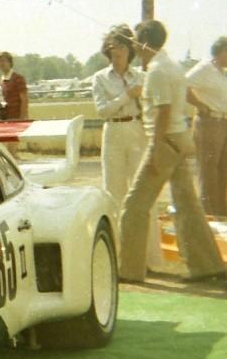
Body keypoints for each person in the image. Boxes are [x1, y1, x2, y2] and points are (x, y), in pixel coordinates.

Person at [118, 20, 225, 284]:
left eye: (136, 42)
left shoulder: (157, 70)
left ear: (144, 42)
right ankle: (207, 265)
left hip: (166, 141)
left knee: (134, 206)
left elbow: (163, 112)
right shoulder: (171, 66)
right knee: (188, 205)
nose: (134, 48)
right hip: (179, 139)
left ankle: (128, 271)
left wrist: (155, 150)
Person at [92, 24, 161, 270]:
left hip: (137, 132)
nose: (117, 51)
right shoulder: (100, 78)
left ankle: (150, 259)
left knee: (143, 195)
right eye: (112, 46)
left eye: (121, 46)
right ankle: (119, 259)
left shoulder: (141, 77)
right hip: (113, 133)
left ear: (130, 49)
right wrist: (127, 96)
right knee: (114, 194)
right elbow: (103, 110)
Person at [185, 36, 227, 216]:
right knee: (208, 170)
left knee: (223, 170)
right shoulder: (205, 68)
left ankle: (221, 212)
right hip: (209, 122)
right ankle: (209, 215)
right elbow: (182, 85)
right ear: (222, 51)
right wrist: (200, 105)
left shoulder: (222, 73)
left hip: (223, 122)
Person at [0, 51, 29, 120]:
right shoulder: (2, 79)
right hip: (6, 118)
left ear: (10, 62)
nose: (1, 64)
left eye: (3, 61)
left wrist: (22, 118)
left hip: (17, 118)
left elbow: (24, 100)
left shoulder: (18, 78)